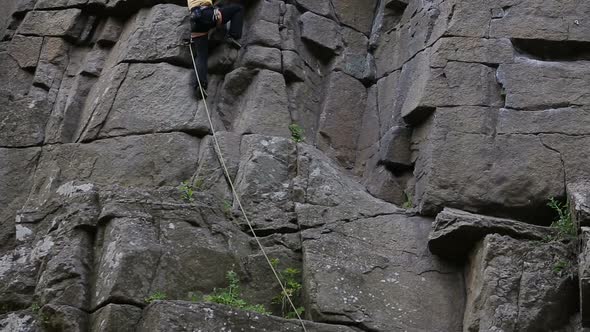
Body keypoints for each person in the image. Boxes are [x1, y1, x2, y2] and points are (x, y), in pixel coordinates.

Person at [188, 0, 244, 99]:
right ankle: (233, 36)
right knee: (237, 8)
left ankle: (200, 86)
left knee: (201, 55)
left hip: (195, 21)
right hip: (206, 14)